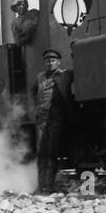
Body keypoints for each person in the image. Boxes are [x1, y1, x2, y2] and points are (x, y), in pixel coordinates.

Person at [34, 50, 74, 194]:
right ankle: (40, 186)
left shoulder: (65, 75)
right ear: (45, 63)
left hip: (56, 119)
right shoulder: (40, 77)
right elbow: (33, 94)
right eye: (48, 61)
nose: (50, 63)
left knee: (51, 153)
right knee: (40, 154)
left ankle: (49, 187)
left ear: (59, 62)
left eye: (53, 61)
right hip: (41, 120)